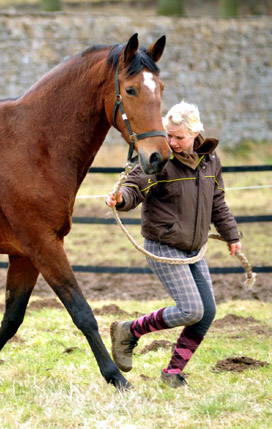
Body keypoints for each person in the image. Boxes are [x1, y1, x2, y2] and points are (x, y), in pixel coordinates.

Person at [105, 101, 242, 388]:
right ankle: (130, 330)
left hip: (193, 249)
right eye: (169, 135)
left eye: (179, 137)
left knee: (207, 313)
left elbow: (218, 202)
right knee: (191, 310)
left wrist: (232, 236)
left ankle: (172, 374)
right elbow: (135, 186)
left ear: (195, 134)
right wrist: (122, 198)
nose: (172, 142)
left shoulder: (210, 160)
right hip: (163, 245)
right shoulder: (161, 158)